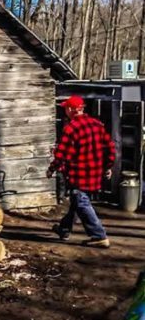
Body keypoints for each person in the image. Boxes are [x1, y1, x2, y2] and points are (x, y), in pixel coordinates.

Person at [47, 95, 115, 248]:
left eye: (65, 108)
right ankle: (64, 229)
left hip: (79, 174)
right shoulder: (97, 124)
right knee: (76, 202)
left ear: (70, 109)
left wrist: (52, 168)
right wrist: (108, 166)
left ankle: (99, 236)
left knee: (81, 201)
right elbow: (110, 147)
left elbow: (62, 154)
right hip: (95, 173)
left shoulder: (70, 129)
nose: (64, 111)